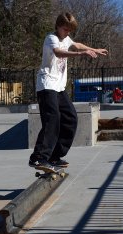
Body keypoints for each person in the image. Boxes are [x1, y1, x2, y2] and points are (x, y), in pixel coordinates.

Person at [29, 12, 108, 172]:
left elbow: (76, 44)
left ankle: (54, 156)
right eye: (65, 30)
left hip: (58, 88)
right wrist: (81, 54)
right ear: (58, 26)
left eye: (70, 31)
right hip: (46, 85)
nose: (67, 33)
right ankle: (38, 158)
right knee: (52, 120)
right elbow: (58, 52)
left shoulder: (66, 38)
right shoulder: (51, 38)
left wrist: (93, 49)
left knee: (70, 118)